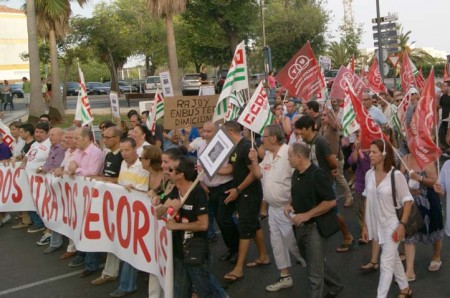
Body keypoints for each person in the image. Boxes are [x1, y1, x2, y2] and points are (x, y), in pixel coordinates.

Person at [249, 124, 305, 292]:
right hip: (273, 209)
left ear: (273, 138)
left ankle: (317, 268)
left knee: (293, 244)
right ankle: (284, 276)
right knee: (277, 243)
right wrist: (253, 161)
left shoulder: (290, 153)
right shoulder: (267, 155)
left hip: (288, 210)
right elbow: (258, 174)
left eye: (264, 137)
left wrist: (291, 203)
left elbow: (300, 179)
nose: (261, 140)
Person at [163, 156, 227, 298]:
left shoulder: (197, 192)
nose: (167, 171)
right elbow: (157, 213)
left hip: (195, 251)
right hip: (179, 251)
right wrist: (165, 206)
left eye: (171, 170)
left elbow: (203, 225)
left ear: (181, 174)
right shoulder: (175, 190)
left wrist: (176, 226)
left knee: (205, 290)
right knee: (180, 292)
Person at [285, 142, 342, 297]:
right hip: (300, 228)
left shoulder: (318, 175)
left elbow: (331, 201)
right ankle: (336, 284)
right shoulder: (296, 173)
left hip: (314, 229)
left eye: (289, 155)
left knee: (314, 275)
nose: (287, 159)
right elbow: (296, 193)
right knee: (313, 264)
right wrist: (289, 204)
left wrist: (307, 215)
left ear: (299, 156)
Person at [361, 139, 413, 298]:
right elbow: (367, 199)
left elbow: (408, 200)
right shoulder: (369, 174)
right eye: (370, 151)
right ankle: (405, 289)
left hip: (393, 225)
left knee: (385, 263)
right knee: (394, 258)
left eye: (374, 152)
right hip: (377, 226)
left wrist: (402, 224)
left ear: (384, 154)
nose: (370, 155)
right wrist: (365, 225)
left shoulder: (395, 175)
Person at [295, 115, 354, 253]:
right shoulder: (306, 143)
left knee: (333, 212)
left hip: (325, 183)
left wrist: (332, 172)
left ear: (309, 128)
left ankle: (347, 237)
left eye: (301, 130)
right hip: (314, 183)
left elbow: (332, 161)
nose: (298, 133)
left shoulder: (320, 141)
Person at [221, 120, 270, 282]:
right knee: (253, 224)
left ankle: (238, 268)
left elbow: (253, 173)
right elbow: (232, 168)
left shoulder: (246, 147)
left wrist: (239, 189)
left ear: (229, 132)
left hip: (250, 193)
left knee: (245, 228)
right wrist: (210, 169)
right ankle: (263, 256)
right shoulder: (235, 148)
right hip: (243, 193)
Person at [400, 153, 443, 280]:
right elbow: (399, 179)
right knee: (409, 234)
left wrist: (419, 178)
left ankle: (436, 257)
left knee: (434, 231)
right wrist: (407, 187)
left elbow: (434, 181)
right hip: (411, 203)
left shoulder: (427, 159)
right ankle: (409, 271)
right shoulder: (405, 159)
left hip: (428, 202)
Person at [66, 127, 104, 268]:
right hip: (80, 195)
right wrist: (74, 165)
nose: (74, 141)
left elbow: (92, 173)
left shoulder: (96, 153)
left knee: (90, 228)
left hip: (93, 196)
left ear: (87, 138)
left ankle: (91, 262)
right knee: (79, 225)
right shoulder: (79, 151)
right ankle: (82, 254)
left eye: (77, 138)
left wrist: (76, 169)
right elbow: (72, 163)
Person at [35, 127, 66, 248]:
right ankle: (52, 237)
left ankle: (55, 240)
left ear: (60, 136)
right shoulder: (53, 147)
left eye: (53, 135)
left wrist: (42, 169)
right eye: (50, 134)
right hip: (50, 184)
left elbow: (55, 166)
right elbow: (49, 163)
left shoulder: (61, 150)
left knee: (56, 212)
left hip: (56, 185)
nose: (50, 137)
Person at [19, 121, 52, 233]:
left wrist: (42, 169)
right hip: (31, 182)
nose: (38, 134)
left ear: (47, 133)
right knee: (35, 205)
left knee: (45, 206)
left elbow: (52, 162)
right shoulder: (34, 144)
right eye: (37, 131)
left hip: (42, 183)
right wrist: (23, 164)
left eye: (41, 132)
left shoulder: (49, 144)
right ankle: (41, 224)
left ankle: (49, 228)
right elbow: (27, 156)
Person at [318, 109, 353, 208]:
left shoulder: (333, 127)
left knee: (340, 178)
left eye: (325, 115)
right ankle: (332, 197)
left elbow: (335, 125)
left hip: (336, 157)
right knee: (329, 179)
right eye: (322, 115)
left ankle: (349, 197)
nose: (323, 117)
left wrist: (331, 116)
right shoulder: (322, 127)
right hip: (326, 158)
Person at [11, 123, 35, 230]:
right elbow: (24, 155)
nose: (19, 134)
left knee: (28, 199)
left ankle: (32, 221)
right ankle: (26, 219)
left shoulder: (32, 144)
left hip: (29, 177)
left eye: (21, 132)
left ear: (27, 133)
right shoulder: (26, 144)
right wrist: (17, 157)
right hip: (24, 176)